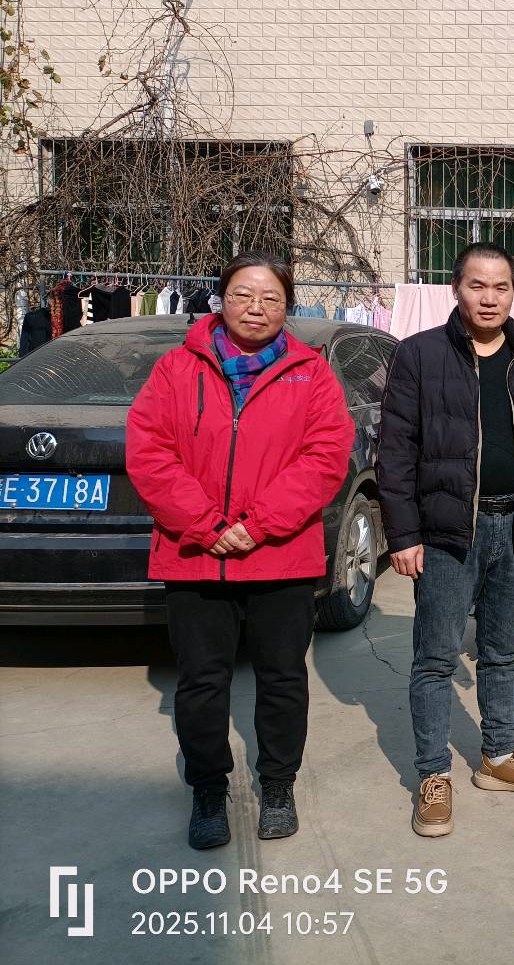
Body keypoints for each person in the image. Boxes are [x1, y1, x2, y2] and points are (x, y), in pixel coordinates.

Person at [127, 253, 354, 848]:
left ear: (288, 306)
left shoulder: (312, 374)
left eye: (271, 298)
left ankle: (277, 785)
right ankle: (208, 791)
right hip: (196, 555)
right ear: (220, 299)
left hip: (281, 554)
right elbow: (149, 452)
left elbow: (325, 457)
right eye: (243, 295)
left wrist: (259, 525)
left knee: (282, 678)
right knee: (201, 683)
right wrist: (206, 525)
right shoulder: (177, 369)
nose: (257, 308)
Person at [378, 242, 514, 838]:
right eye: (477, 285)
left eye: (501, 287)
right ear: (455, 289)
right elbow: (395, 453)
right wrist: (403, 534)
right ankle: (433, 774)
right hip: (446, 534)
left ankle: (499, 755)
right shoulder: (419, 356)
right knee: (436, 658)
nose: (490, 298)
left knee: (503, 651)